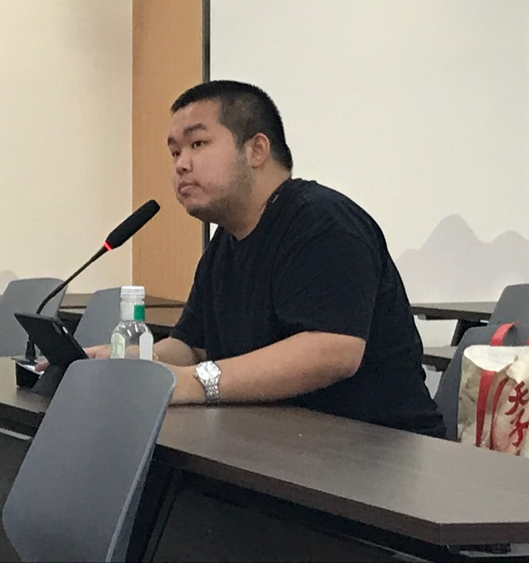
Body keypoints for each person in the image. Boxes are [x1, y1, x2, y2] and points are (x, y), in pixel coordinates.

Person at [98, 80, 445, 435]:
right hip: (277, 442)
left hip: (376, 449)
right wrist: (129, 360)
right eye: (174, 153)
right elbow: (191, 346)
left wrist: (194, 382)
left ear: (257, 150)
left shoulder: (324, 222)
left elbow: (334, 351)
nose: (181, 165)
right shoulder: (225, 242)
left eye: (197, 144)